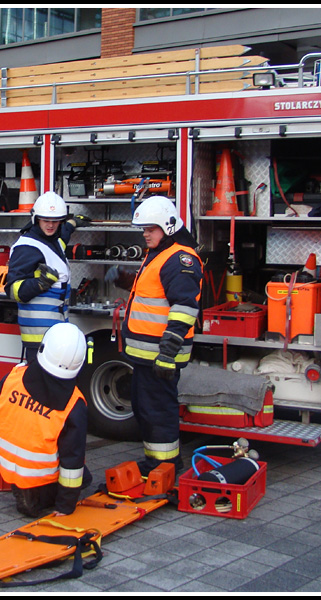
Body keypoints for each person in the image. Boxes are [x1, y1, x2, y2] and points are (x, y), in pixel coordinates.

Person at [109, 196, 203, 474]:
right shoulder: (161, 254)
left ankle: (165, 468)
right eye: (143, 229)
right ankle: (157, 464)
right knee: (146, 410)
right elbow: (155, 293)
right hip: (147, 357)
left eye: (150, 228)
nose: (145, 234)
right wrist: (124, 278)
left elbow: (185, 308)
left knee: (158, 412)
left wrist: (167, 353)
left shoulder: (180, 259)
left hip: (160, 357)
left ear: (168, 227)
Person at [0, 322, 91, 517]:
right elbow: (72, 461)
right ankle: (36, 497)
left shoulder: (16, 375)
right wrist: (65, 507)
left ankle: (22, 484)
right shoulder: (74, 405)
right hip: (37, 472)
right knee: (84, 476)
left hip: (3, 459)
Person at [5, 191, 90, 363]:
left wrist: (72, 223)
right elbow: (12, 290)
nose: (51, 225)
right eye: (46, 221)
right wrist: (41, 283)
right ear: (36, 219)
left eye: (55, 221)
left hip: (55, 336)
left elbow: (61, 237)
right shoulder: (27, 247)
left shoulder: (52, 241)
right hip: (38, 340)